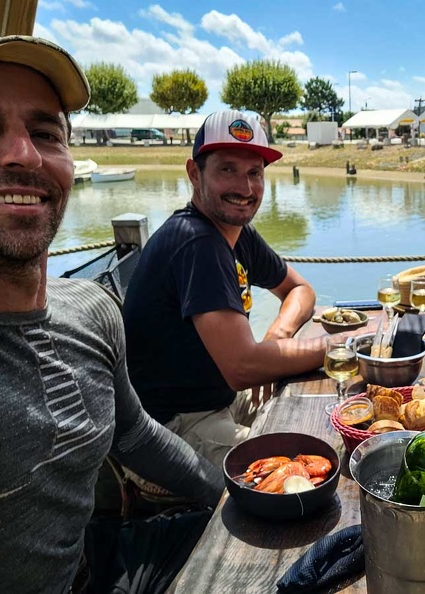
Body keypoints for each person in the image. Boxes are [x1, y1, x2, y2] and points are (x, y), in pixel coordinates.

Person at [0, 32, 224, 593]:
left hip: (99, 563)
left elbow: (136, 433)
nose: (23, 154)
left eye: (46, 132)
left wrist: (231, 492)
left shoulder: (92, 311)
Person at [122, 110, 326, 467]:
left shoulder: (235, 233)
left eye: (254, 173)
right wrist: (341, 350)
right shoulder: (196, 242)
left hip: (223, 399)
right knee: (303, 467)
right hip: (174, 425)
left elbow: (300, 290)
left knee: (323, 417)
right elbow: (243, 367)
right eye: (227, 169)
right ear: (194, 174)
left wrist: (279, 332)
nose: (245, 189)